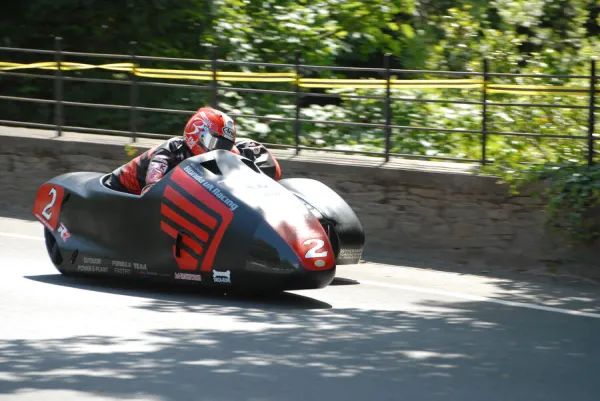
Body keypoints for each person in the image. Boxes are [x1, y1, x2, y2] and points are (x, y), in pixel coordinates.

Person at [105, 107, 281, 195]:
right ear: (196, 132)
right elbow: (152, 191)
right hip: (121, 192)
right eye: (214, 142)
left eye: (226, 145)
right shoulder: (172, 150)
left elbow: (274, 172)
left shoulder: (234, 152)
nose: (220, 150)